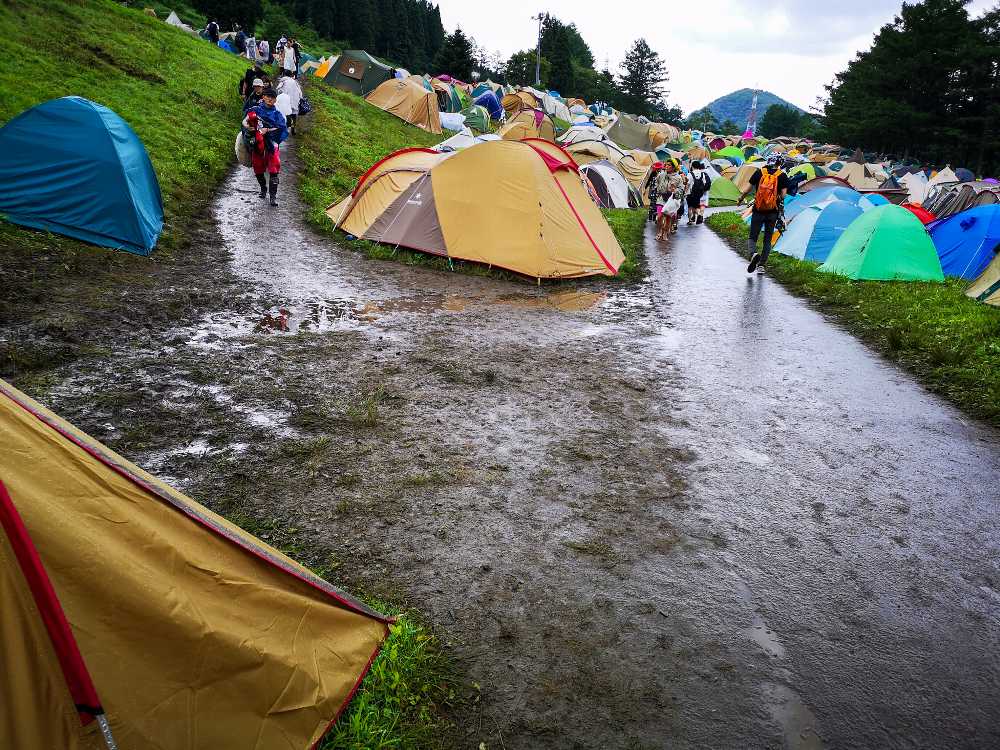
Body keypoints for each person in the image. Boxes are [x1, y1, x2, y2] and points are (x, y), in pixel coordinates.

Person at [746, 154, 789, 275]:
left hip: (758, 209)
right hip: (772, 212)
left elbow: (748, 188)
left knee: (753, 235)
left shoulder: (760, 172)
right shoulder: (782, 175)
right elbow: (784, 194)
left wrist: (741, 198)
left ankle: (753, 253)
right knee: (767, 238)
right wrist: (775, 200)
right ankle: (761, 265)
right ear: (779, 163)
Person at [245, 88, 288, 206]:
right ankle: (263, 188)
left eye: (273, 97)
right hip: (257, 144)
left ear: (275, 100)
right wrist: (248, 128)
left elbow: (281, 128)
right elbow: (245, 121)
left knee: (274, 169)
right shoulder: (255, 110)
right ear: (263, 97)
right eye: (268, 96)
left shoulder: (277, 115)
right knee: (258, 169)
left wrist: (267, 130)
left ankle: (273, 197)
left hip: (271, 144)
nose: (270, 99)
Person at [654, 161, 685, 241]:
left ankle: (665, 233)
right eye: (666, 164)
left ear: (674, 167)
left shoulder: (678, 177)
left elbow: (681, 189)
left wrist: (675, 190)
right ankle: (660, 231)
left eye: (669, 165)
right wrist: (658, 189)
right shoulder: (661, 175)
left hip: (671, 199)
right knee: (659, 217)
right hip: (661, 198)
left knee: (668, 218)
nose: (666, 166)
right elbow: (656, 182)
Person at [686, 161, 711, 226]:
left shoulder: (690, 174)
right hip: (699, 193)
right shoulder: (702, 174)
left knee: (690, 207)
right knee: (696, 206)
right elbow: (704, 183)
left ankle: (690, 220)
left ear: (692, 166)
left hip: (690, 193)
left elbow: (688, 184)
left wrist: (685, 191)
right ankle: (699, 214)